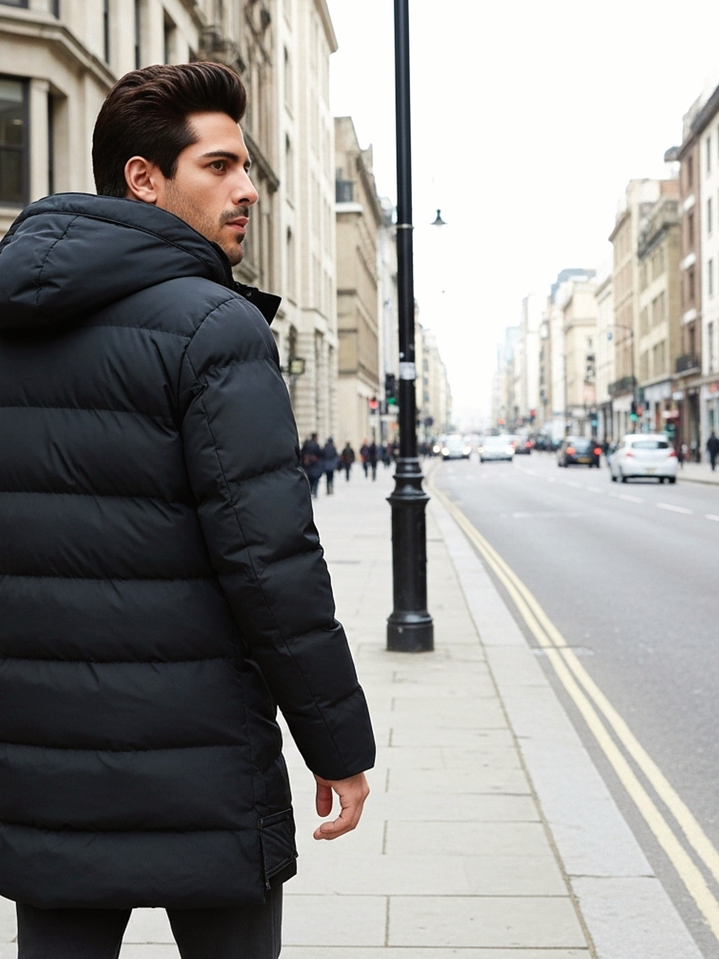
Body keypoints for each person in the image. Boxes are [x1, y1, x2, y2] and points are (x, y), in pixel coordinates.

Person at [0, 62, 374, 959]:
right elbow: (271, 561)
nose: (247, 189)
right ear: (143, 177)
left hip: (46, 770)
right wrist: (335, 742)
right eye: (218, 166)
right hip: (206, 764)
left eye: (244, 166)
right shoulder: (214, 324)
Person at [300, 432, 323, 497]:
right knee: (315, 478)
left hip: (306, 464)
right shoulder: (316, 445)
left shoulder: (306, 444)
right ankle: (314, 491)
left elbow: (301, 453)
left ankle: (309, 491)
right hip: (314, 464)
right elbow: (320, 454)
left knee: (308, 479)